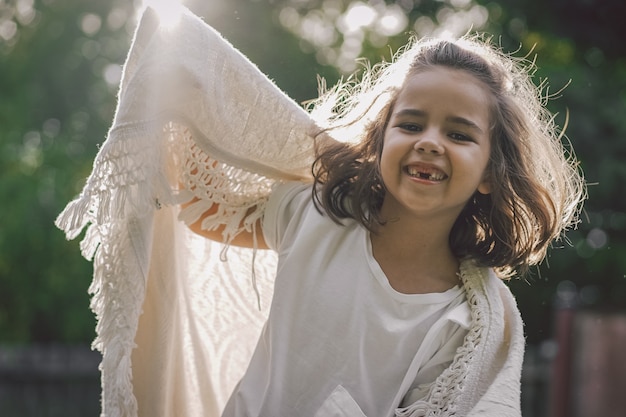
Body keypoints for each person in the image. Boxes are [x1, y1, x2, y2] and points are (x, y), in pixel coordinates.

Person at [56, 5, 585, 417]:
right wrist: (176, 97)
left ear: (492, 174)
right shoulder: (315, 216)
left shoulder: (468, 322)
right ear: (378, 144)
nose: (429, 142)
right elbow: (200, 210)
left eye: (458, 133)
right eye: (411, 124)